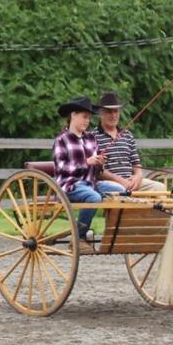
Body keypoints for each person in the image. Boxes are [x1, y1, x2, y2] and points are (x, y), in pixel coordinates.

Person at [52, 96, 126, 243]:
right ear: (73, 115)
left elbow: (97, 170)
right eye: (84, 117)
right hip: (69, 185)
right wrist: (86, 162)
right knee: (94, 197)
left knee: (121, 190)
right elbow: (62, 169)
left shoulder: (91, 139)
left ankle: (113, 233)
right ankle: (79, 237)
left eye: (89, 118)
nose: (87, 121)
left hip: (91, 183)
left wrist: (99, 162)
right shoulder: (62, 140)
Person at [90, 90, 165, 194]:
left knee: (159, 187)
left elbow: (137, 165)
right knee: (120, 189)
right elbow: (97, 171)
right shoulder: (92, 137)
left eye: (116, 111)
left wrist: (137, 177)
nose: (113, 115)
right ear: (100, 113)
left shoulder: (127, 135)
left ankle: (151, 211)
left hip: (131, 182)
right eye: (109, 112)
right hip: (109, 183)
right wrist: (120, 181)